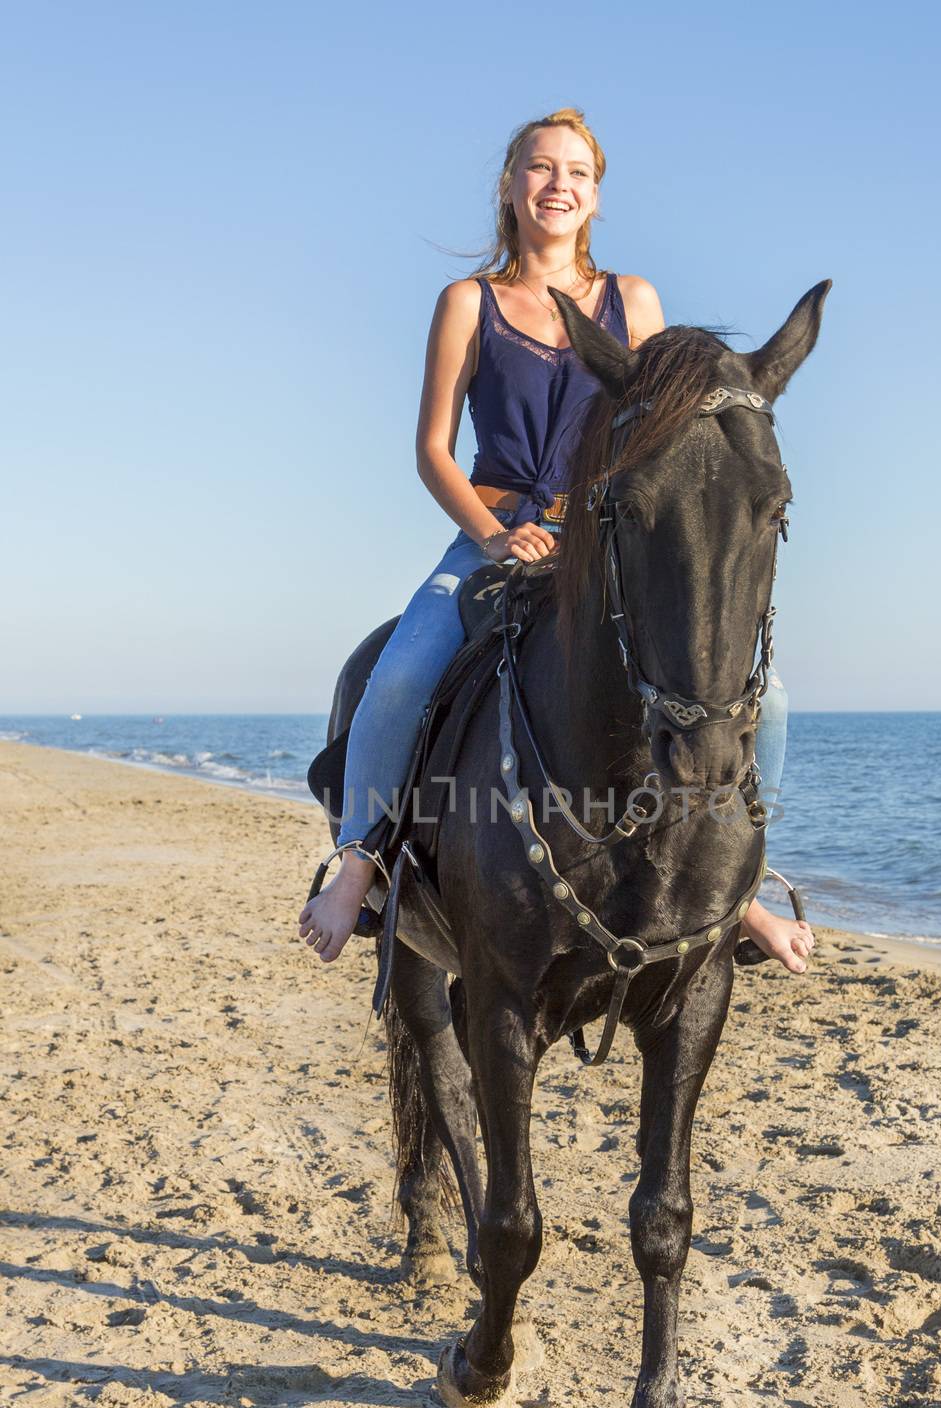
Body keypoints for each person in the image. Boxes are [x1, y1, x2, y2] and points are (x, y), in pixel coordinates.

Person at [299, 108, 814, 972]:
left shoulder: (634, 300)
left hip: (604, 538)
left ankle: (739, 886)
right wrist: (495, 536)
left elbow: (665, 437)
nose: (558, 185)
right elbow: (432, 449)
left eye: (577, 172)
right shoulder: (468, 301)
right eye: (541, 168)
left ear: (596, 196)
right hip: (495, 531)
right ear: (509, 186)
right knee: (400, 671)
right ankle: (359, 864)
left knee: (774, 701)